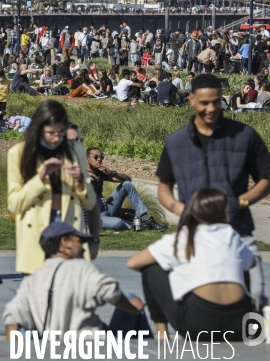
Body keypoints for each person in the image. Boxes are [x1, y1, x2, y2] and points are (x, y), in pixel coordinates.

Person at [156, 73, 270, 312]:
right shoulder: (175, 142)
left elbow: (265, 179)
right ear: (191, 100)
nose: (211, 108)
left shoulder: (245, 135)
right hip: (193, 234)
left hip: (237, 229)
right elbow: (164, 188)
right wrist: (181, 209)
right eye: (204, 102)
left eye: (216, 102)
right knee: (191, 301)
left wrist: (240, 202)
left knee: (255, 296)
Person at [127, 188, 254, 341]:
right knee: (242, 263)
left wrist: (178, 274)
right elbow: (251, 262)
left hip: (199, 326)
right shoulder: (232, 235)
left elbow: (133, 263)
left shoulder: (184, 237)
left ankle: (162, 335)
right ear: (225, 212)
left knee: (151, 267)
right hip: (239, 325)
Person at [3, 222, 145, 337]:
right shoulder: (80, 268)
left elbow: (12, 317)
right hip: (91, 349)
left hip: (50, 350)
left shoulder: (32, 279)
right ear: (65, 242)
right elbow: (109, 290)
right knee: (132, 299)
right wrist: (131, 307)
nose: (83, 248)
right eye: (80, 241)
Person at [7, 100, 95, 275]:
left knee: (70, 299)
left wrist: (80, 181)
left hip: (69, 231)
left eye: (61, 132)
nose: (56, 138)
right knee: (38, 299)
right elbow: (14, 204)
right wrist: (40, 177)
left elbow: (91, 202)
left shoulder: (75, 149)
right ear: (39, 129)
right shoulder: (18, 153)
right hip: (36, 235)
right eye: (50, 133)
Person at [87, 147, 167, 232]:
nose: (99, 159)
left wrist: (112, 173)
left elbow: (128, 179)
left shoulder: (100, 172)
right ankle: (135, 225)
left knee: (127, 184)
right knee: (117, 223)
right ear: (87, 159)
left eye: (101, 157)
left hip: (107, 209)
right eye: (96, 157)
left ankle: (145, 219)